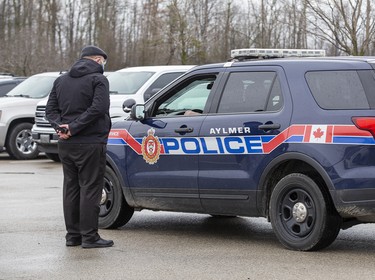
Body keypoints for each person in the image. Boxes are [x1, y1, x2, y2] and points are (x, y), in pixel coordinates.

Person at [46, 45, 113, 248]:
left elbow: (50, 110)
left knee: (71, 189)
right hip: (91, 143)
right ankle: (89, 237)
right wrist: (73, 127)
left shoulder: (61, 80)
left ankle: (72, 236)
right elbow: (99, 108)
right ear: (98, 60)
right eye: (103, 61)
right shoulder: (99, 80)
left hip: (66, 144)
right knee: (91, 188)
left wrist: (62, 127)